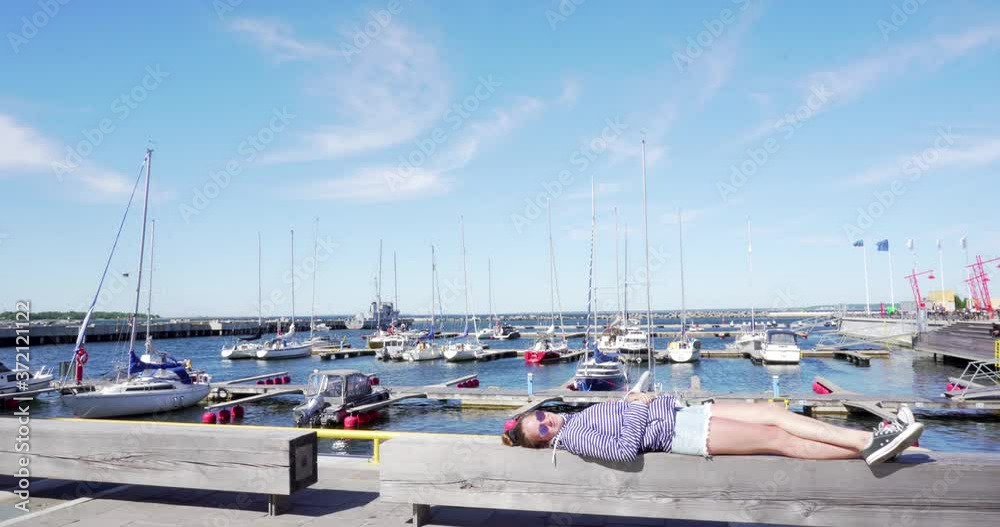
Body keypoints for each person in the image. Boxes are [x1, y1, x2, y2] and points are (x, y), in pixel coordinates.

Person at [502, 393, 923, 466]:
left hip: (686, 413)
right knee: (777, 440)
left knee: (772, 412)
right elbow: (627, 447)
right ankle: (872, 446)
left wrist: (634, 402)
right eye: (539, 428)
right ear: (543, 442)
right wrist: (636, 406)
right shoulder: (573, 438)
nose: (544, 420)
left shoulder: (573, 419)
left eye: (539, 417)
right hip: (682, 435)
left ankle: (874, 437)